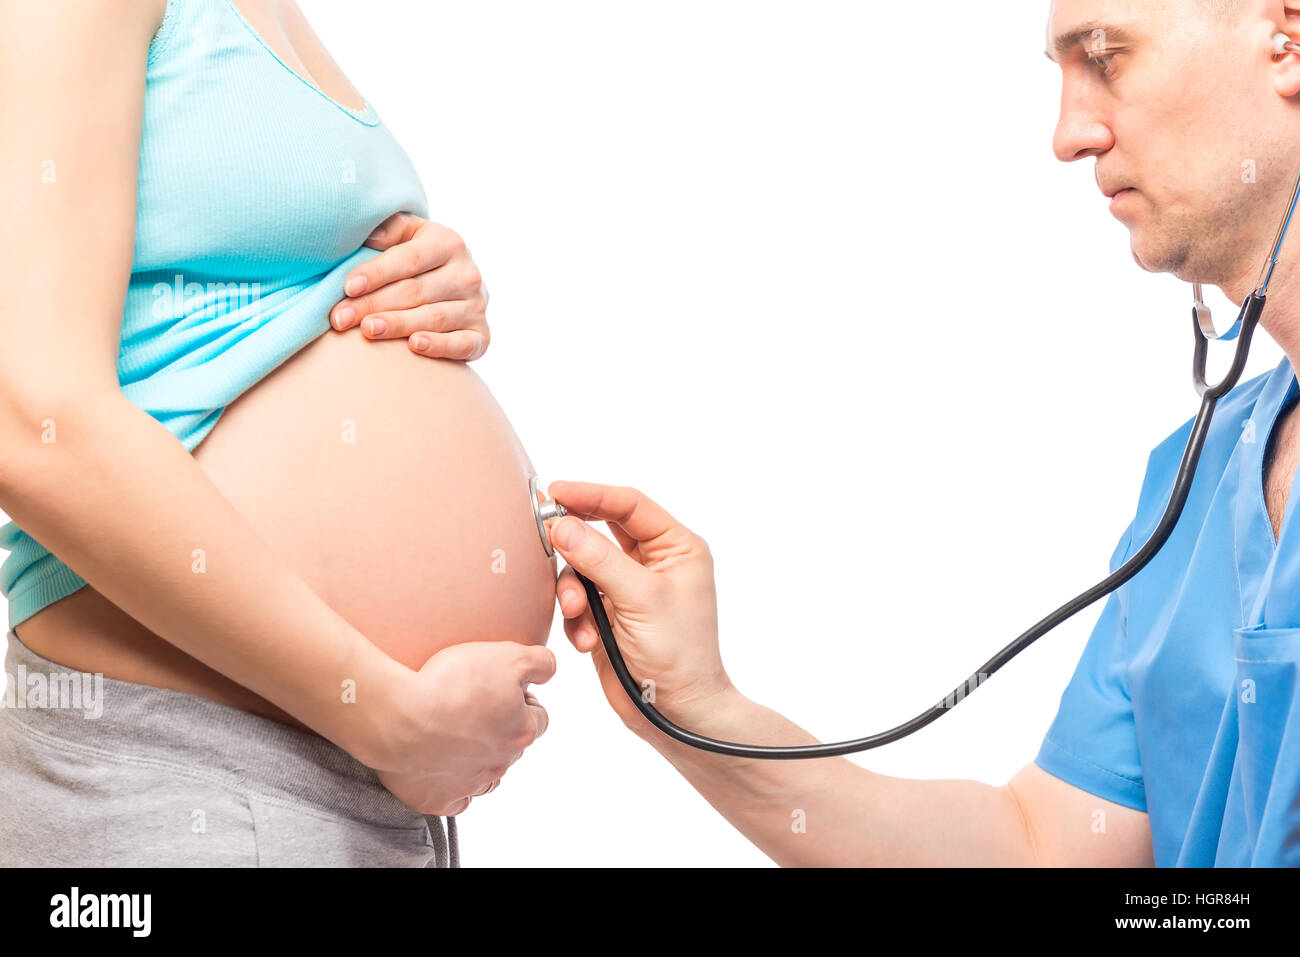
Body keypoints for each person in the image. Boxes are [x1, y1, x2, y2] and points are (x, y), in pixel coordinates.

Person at [548, 0, 1300, 867]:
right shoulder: (1197, 484)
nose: (1068, 135)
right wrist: (694, 710)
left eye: (1104, 57)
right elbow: (1047, 848)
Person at [0, 0, 556, 867]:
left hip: (345, 774)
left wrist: (413, 277)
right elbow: (30, 424)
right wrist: (389, 717)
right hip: (192, 768)